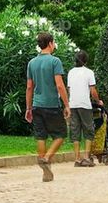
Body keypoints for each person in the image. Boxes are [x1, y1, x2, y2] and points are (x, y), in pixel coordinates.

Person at [25, 32, 70, 182]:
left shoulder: (32, 63)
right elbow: (59, 84)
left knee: (41, 136)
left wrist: (28, 108)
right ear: (50, 43)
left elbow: (29, 87)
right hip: (51, 105)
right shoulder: (55, 61)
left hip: (37, 105)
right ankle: (47, 158)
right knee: (61, 134)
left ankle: (46, 171)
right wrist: (67, 104)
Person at [67, 51, 102, 167]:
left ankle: (77, 159)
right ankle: (86, 157)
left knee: (75, 130)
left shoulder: (71, 72)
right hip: (84, 104)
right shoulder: (89, 72)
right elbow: (93, 90)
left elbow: (69, 90)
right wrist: (98, 101)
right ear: (86, 60)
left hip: (73, 104)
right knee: (88, 129)